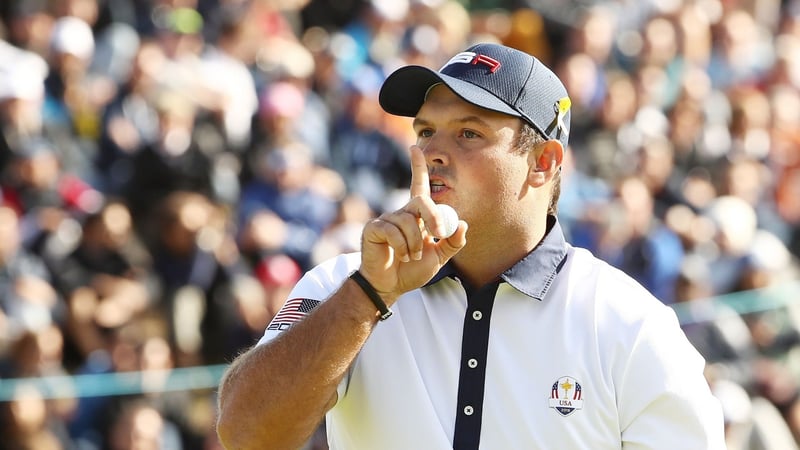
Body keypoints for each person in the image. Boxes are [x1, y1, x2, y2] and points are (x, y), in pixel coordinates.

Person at [216, 42, 725, 449]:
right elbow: (244, 435)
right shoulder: (342, 284)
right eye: (426, 131)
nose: (432, 152)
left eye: (469, 134)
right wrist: (368, 295)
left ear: (544, 162)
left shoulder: (631, 324)